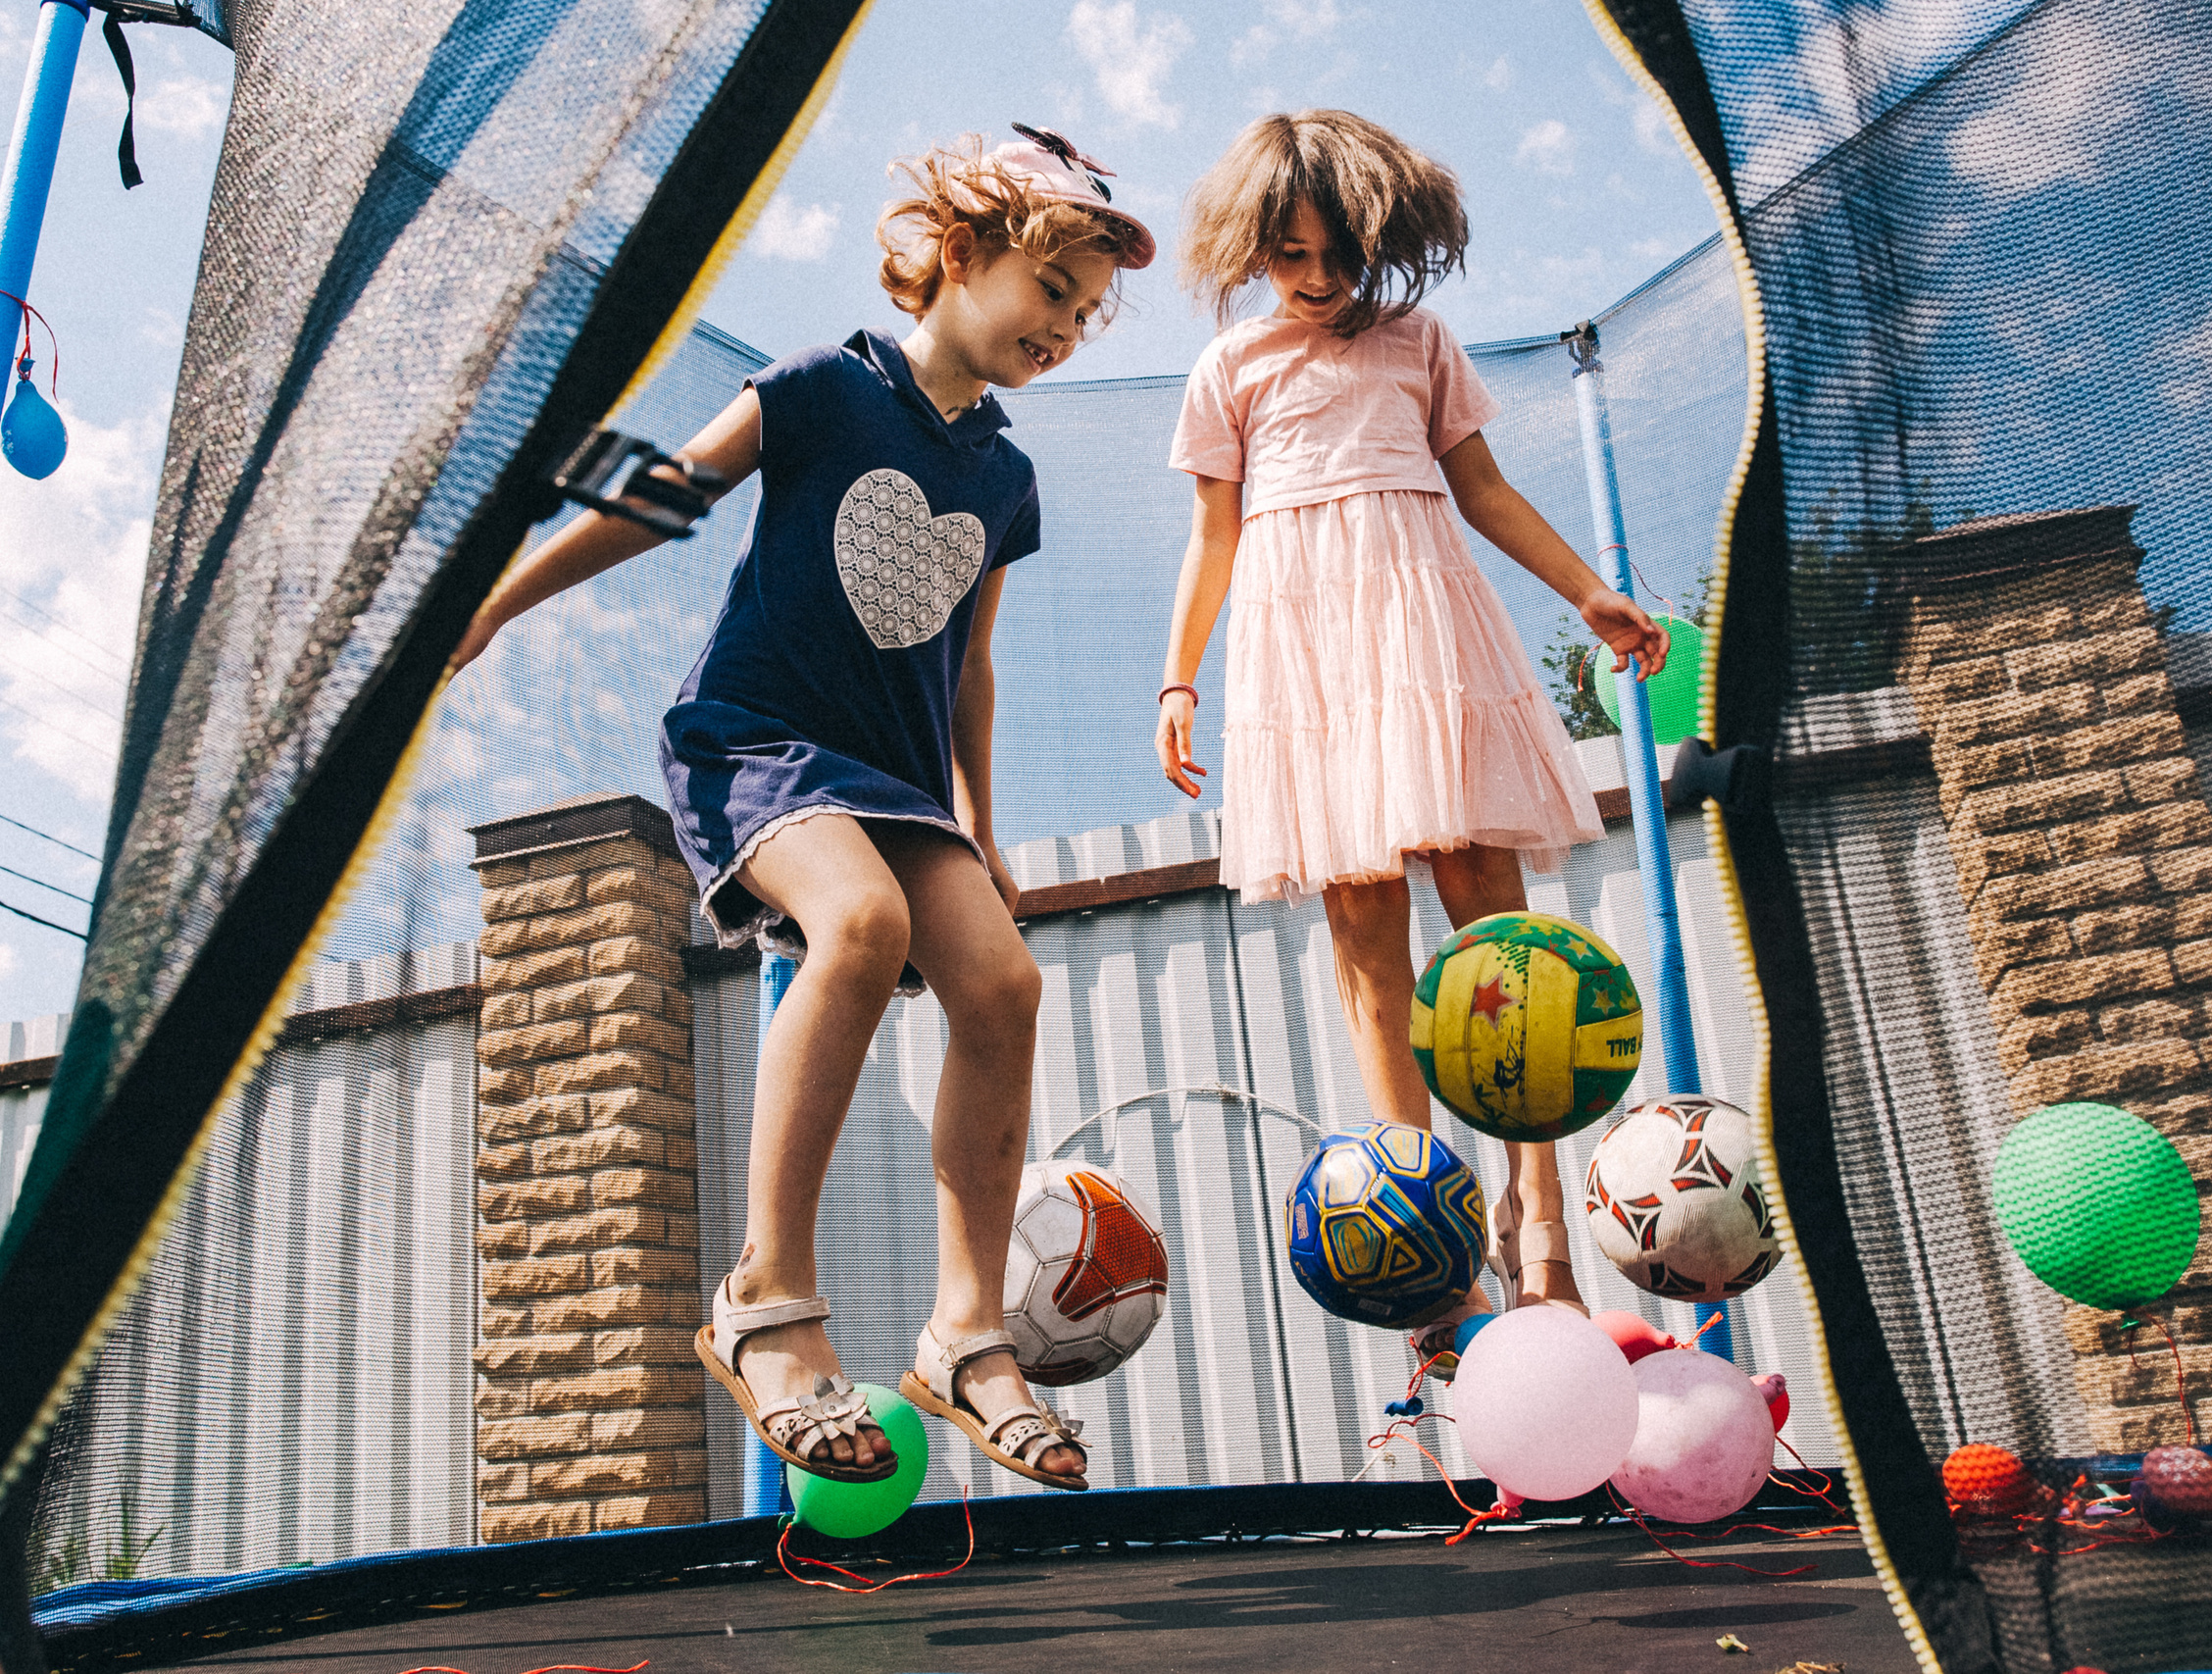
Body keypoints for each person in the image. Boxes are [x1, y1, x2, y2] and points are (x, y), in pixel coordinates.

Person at [451, 127, 1154, 1488]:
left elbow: (973, 665)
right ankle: (766, 1296)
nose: (1064, 327)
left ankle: (963, 1329)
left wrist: (983, 828)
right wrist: (498, 597)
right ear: (959, 256)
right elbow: (665, 497)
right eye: (1048, 290)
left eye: (1083, 312)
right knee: (859, 925)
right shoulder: (822, 387)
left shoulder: (1005, 481)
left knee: (1003, 987)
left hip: (897, 782)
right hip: (756, 739)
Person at [1154, 110, 1669, 1377]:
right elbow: (1216, 536)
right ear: (1253, 249)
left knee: (1495, 930)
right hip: (1309, 653)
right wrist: (1178, 682)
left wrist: (1586, 591)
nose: (1319, 279)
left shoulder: (1416, 342)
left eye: (1338, 254)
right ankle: (1425, 1233)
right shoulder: (1231, 369)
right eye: (1290, 255)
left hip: (1421, 622)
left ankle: (1535, 1219)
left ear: (1381, 245)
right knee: (1366, 941)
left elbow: (1481, 490)